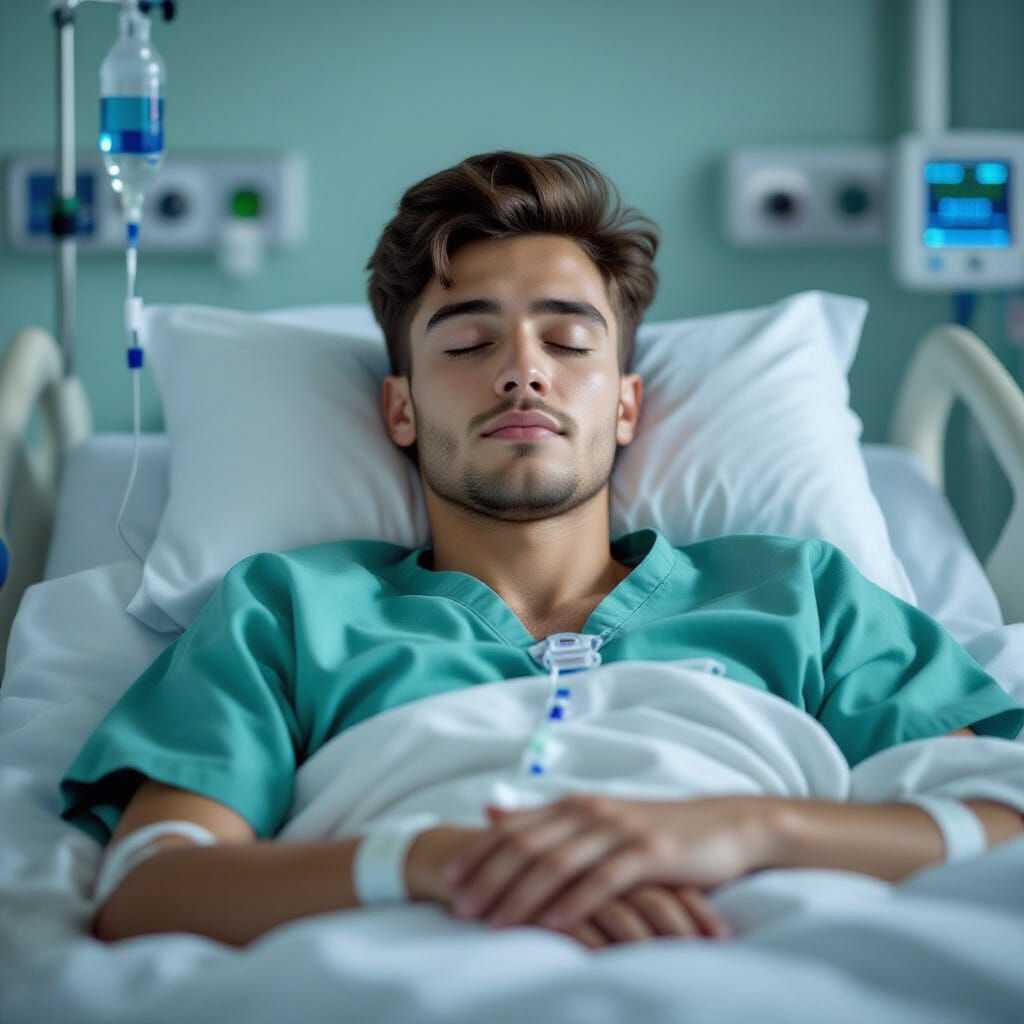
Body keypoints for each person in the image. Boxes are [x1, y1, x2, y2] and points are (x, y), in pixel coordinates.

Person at [59, 151, 1024, 951]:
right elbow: (150, 889)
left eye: (568, 342)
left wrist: (744, 828)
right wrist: (437, 863)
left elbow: (998, 821)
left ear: (626, 405)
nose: (523, 369)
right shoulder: (286, 609)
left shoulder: (802, 594)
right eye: (467, 344)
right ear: (400, 408)